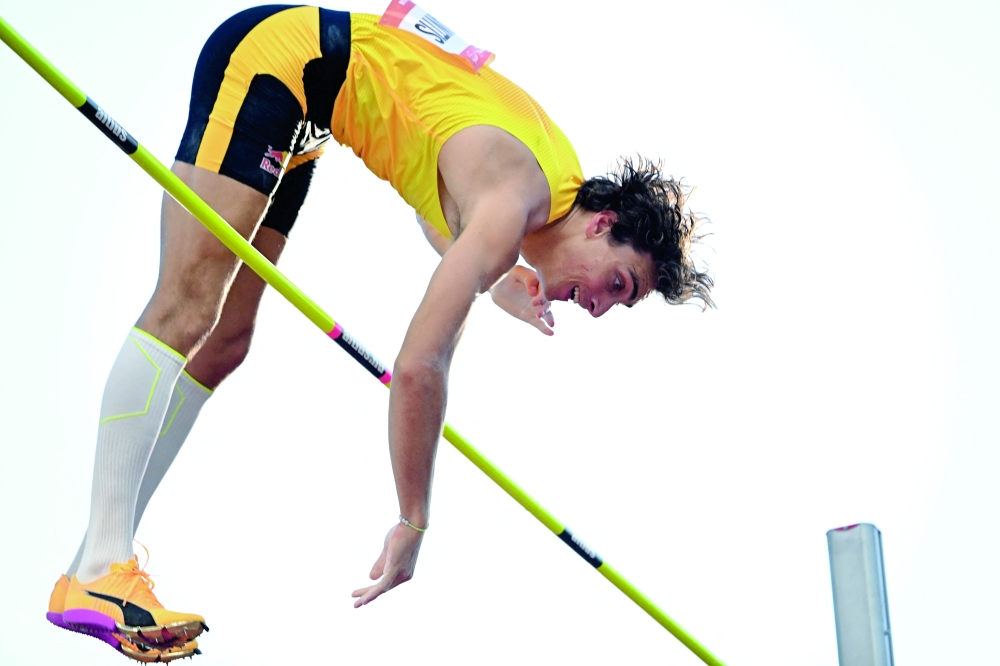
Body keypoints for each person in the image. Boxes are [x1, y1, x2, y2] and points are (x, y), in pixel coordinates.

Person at [45, 4, 713, 662]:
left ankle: (92, 569)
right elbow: (420, 365)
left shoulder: (547, 181)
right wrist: (412, 518)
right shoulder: (517, 197)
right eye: (617, 283)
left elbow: (432, 186)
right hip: (282, 63)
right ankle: (104, 566)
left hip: (309, 108)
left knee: (224, 343)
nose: (599, 308)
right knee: (188, 304)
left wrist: (495, 280)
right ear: (602, 224)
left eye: (619, 304)